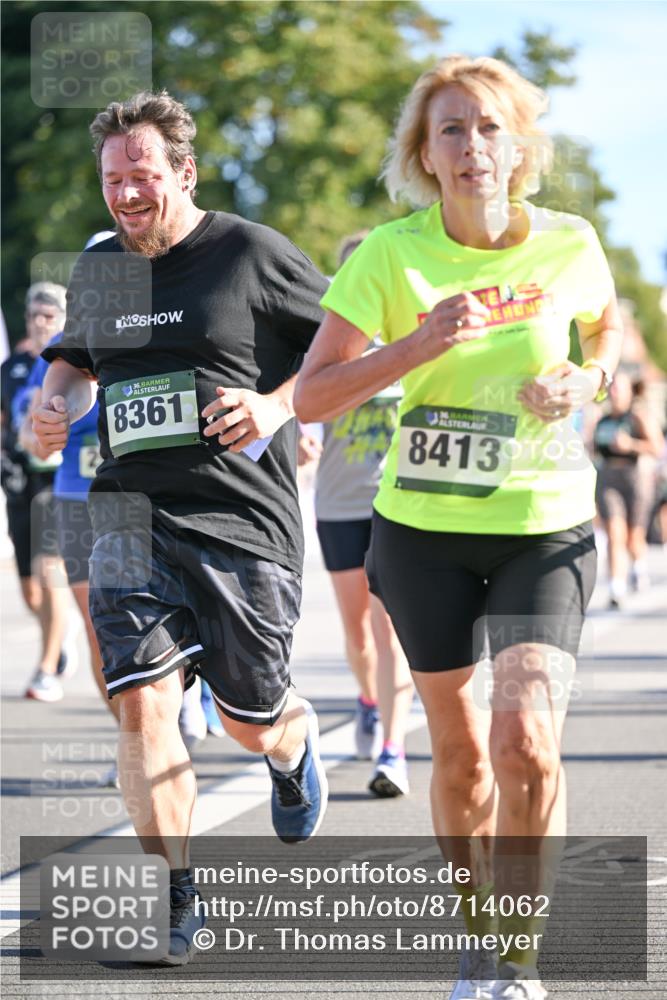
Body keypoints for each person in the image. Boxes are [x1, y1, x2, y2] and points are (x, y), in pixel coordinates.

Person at [294, 55, 623, 1000]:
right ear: (424, 155)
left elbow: (604, 331)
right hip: (422, 530)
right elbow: (312, 394)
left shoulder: (570, 241)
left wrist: (586, 380)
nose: (472, 145)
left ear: (519, 145)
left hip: (543, 524)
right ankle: (477, 936)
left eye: (488, 127)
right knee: (463, 750)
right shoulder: (387, 255)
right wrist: (416, 344)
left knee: (525, 738)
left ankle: (517, 955)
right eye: (450, 130)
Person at [32, 90, 329, 965]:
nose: (126, 194)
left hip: (241, 520)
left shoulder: (250, 252)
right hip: (128, 511)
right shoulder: (101, 267)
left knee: (247, 718)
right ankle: (175, 904)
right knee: (142, 706)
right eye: (113, 179)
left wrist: (277, 407)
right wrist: (52, 409)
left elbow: (344, 346)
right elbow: (73, 368)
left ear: (183, 172)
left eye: (144, 176)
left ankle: (289, 738)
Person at [306, 230, 414, 797]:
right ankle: (368, 696)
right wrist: (299, 438)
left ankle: (393, 750)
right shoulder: (326, 345)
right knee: (358, 632)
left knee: (388, 626)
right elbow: (294, 403)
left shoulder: (410, 339)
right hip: (338, 502)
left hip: (394, 504)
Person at [1, 282, 72, 701]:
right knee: (29, 588)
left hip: (58, 480)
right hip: (19, 482)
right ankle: (58, 638)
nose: (41, 322)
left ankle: (46, 668)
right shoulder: (12, 368)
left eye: (50, 315)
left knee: (51, 570)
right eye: (35, 315)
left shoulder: (71, 361)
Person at [593, 370, 664, 607]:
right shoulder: (603, 420)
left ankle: (638, 567)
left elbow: (656, 448)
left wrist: (630, 444)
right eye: (611, 388)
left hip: (635, 477)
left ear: (629, 392)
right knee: (614, 531)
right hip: (608, 477)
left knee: (634, 536)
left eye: (619, 388)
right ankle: (616, 587)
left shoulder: (637, 417)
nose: (614, 392)